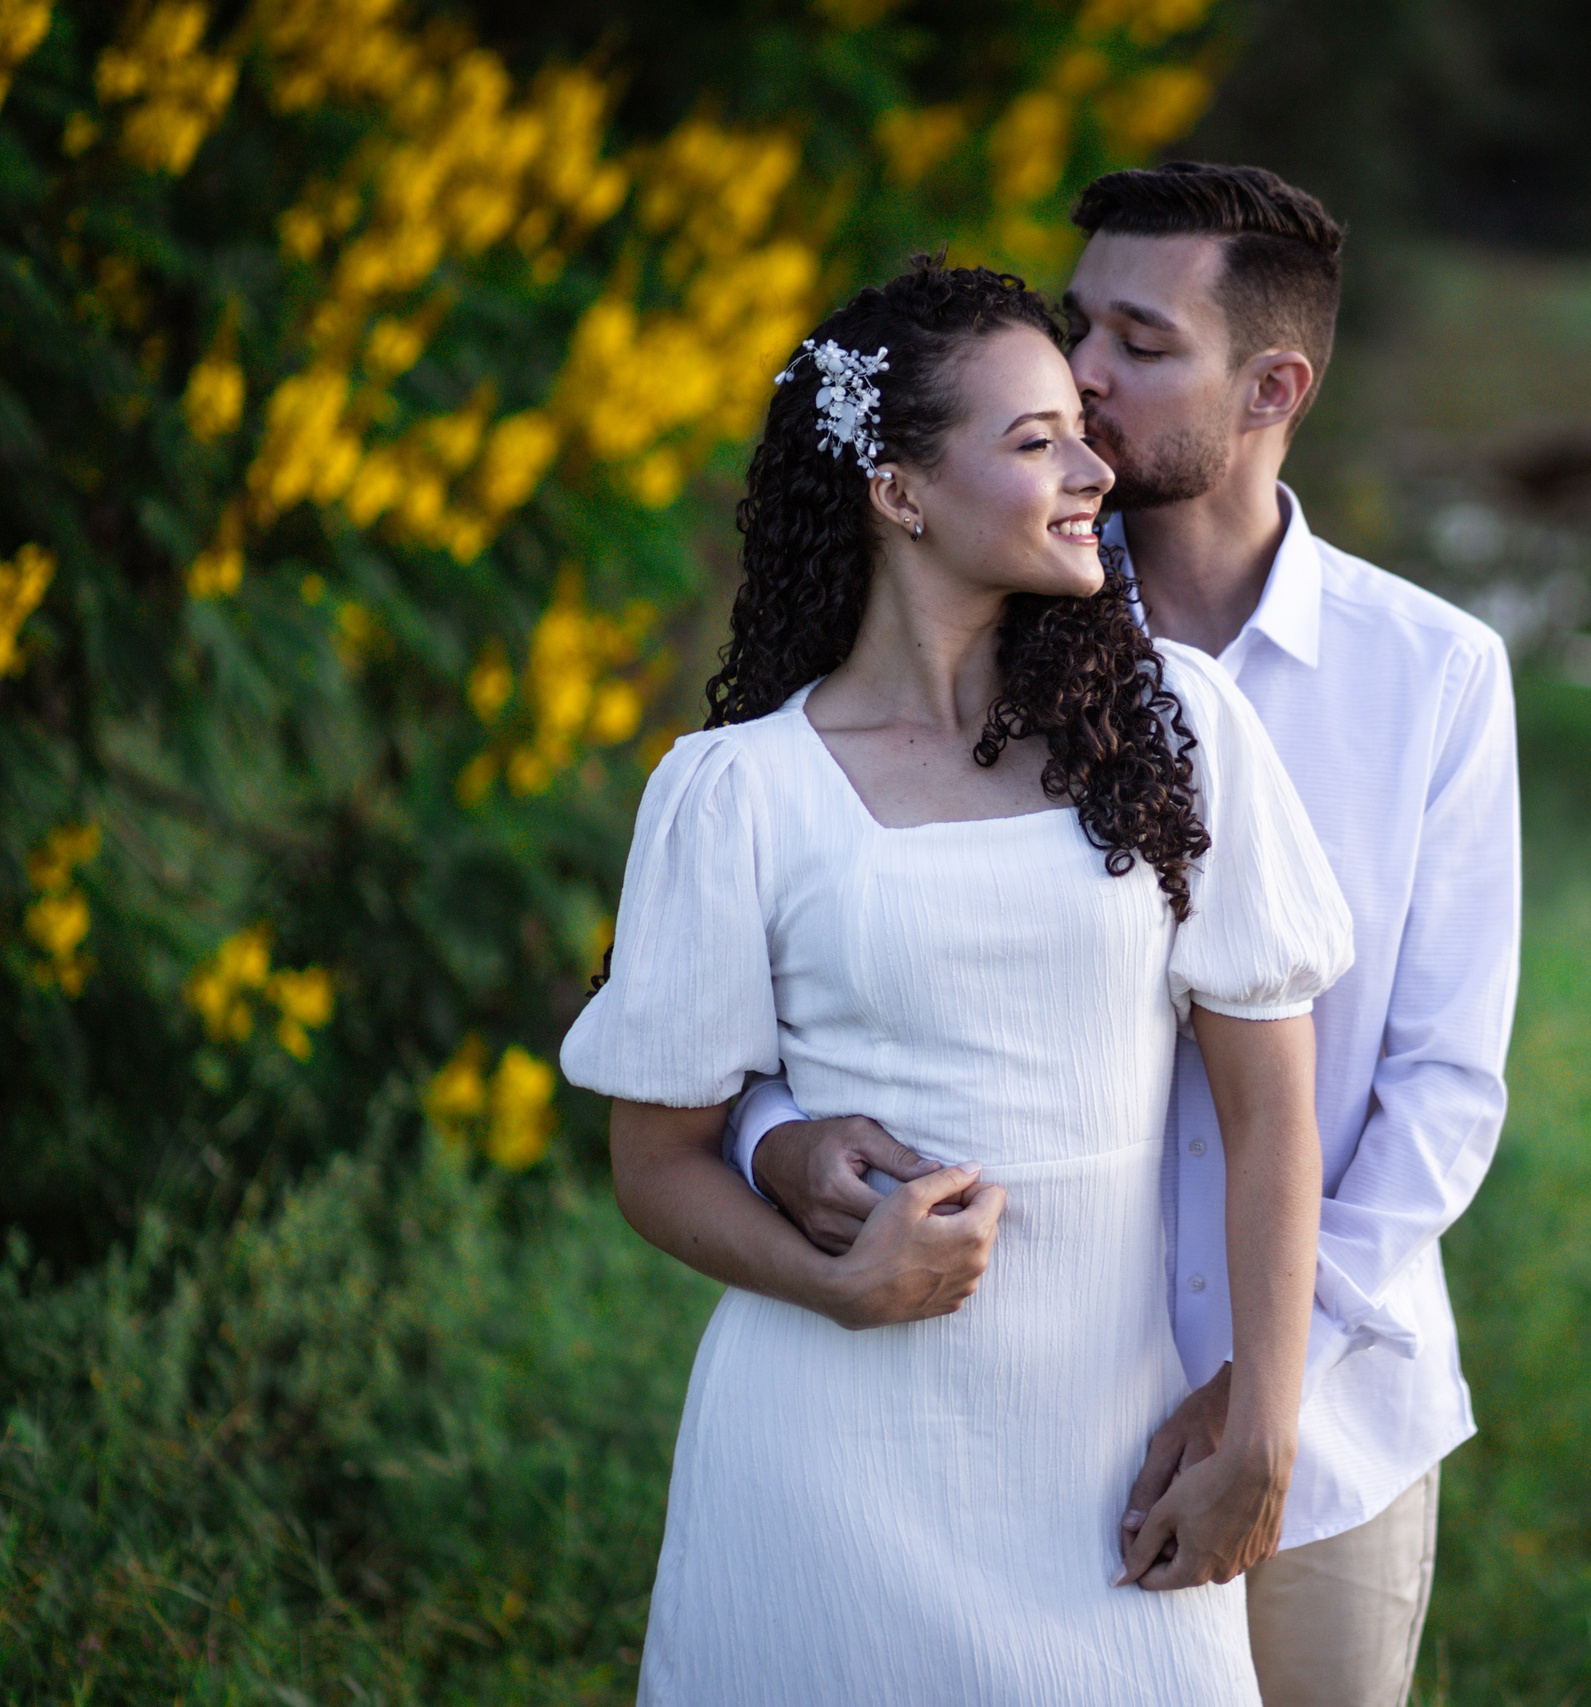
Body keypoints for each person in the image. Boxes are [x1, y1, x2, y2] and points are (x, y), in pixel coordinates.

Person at [728, 164, 1521, 1707]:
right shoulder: (969, 629)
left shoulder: (1430, 673)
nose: (1081, 374)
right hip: (996, 1399)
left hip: (1328, 1421)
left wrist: (1263, 1389)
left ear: (1274, 385)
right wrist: (779, 1146)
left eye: (1141, 344)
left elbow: (1442, 1085)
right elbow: (793, 997)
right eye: (1076, 322)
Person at [563, 258, 1354, 1705]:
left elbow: (1272, 1116)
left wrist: (1263, 1425)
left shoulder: (1174, 732)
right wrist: (833, 1281)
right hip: (819, 1463)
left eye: (1082, 427)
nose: (1091, 466)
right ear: (899, 491)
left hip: (1102, 1468)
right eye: (1035, 437)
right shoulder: (735, 791)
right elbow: (655, 1162)